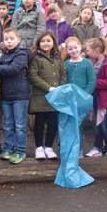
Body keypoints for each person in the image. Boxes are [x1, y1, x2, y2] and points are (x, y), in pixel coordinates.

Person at [0, 28, 30, 165]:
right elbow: (1, 63)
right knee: (8, 125)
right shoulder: (5, 55)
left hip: (20, 95)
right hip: (6, 95)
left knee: (19, 125)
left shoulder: (21, 54)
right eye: (6, 39)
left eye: (11, 39)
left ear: (18, 40)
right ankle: (9, 148)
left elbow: (14, 69)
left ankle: (20, 151)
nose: (8, 42)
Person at [29, 31, 66, 160]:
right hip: (41, 97)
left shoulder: (58, 58)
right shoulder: (36, 58)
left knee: (53, 123)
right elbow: (33, 76)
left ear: (53, 43)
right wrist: (48, 88)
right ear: (39, 43)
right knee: (39, 123)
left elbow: (63, 75)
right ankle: (39, 148)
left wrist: (60, 88)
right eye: (43, 41)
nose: (46, 43)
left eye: (48, 41)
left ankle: (49, 147)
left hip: (56, 97)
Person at [85, 37, 107, 157]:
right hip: (98, 99)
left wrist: (93, 82)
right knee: (99, 124)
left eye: (89, 50)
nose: (87, 52)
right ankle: (98, 147)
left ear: (97, 49)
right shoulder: (95, 62)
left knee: (105, 125)